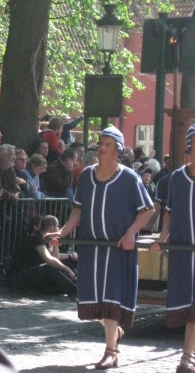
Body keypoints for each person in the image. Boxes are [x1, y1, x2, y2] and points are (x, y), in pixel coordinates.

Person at [48, 126, 154, 370]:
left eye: (107, 144)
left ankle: (111, 352)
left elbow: (148, 210)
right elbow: (79, 210)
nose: (102, 148)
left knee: (111, 300)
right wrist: (62, 233)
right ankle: (113, 332)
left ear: (118, 150)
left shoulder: (129, 177)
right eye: (101, 143)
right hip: (92, 249)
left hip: (117, 250)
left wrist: (130, 233)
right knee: (93, 302)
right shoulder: (86, 176)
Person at [151, 125, 195, 373]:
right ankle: (188, 356)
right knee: (189, 305)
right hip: (183, 250)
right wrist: (162, 239)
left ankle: (187, 356)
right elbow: (169, 213)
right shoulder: (177, 178)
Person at [8, 215, 76, 296]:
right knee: (48, 268)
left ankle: (78, 284)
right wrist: (67, 269)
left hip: (32, 275)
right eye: (57, 226)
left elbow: (55, 258)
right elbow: (49, 260)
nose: (58, 229)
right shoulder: (35, 238)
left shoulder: (44, 239)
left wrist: (58, 246)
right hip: (19, 277)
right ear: (52, 228)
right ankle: (76, 291)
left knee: (69, 262)